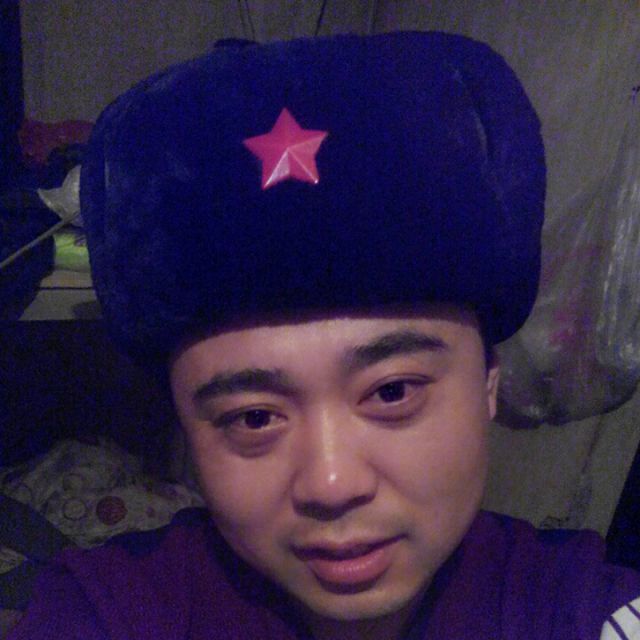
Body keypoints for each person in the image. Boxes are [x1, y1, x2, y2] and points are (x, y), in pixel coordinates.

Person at [8, 31, 640, 640]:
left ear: (489, 383)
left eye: (392, 392)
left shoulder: (576, 609)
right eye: (254, 417)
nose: (332, 485)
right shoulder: (110, 610)